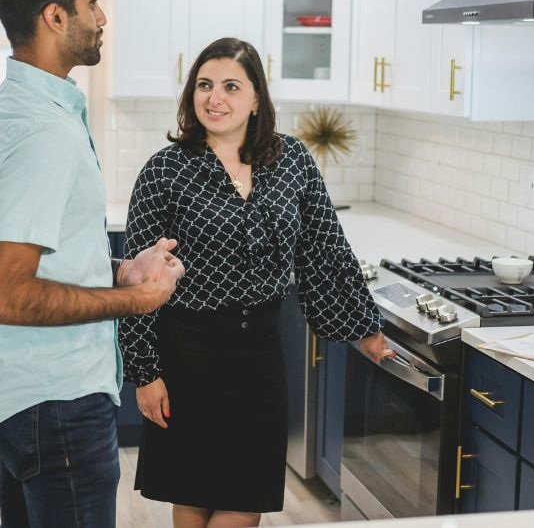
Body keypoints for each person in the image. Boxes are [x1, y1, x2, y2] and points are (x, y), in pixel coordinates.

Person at [0, 0, 186, 528]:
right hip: (55, 397)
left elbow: (35, 266)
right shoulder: (42, 132)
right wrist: (135, 299)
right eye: (92, 2)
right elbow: (7, 294)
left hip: (29, 394)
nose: (102, 16)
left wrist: (119, 270)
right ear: (56, 17)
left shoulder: (20, 109)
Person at [119, 37, 394, 528]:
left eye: (230, 86)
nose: (214, 98)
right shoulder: (164, 171)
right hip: (187, 356)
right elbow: (134, 285)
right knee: (192, 498)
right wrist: (145, 373)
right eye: (204, 85)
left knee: (245, 505)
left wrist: (364, 327)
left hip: (260, 360)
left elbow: (325, 250)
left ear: (256, 99)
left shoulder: (292, 162)